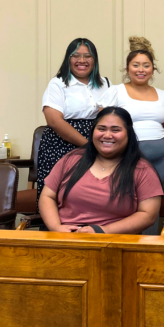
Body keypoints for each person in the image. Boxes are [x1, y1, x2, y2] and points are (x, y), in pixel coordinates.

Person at [39, 107, 163, 234]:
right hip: (66, 240)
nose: (107, 135)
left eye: (116, 130)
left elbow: (148, 214)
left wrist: (103, 231)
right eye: (101, 129)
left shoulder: (142, 170)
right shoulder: (71, 159)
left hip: (114, 243)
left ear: (129, 134)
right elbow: (47, 196)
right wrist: (56, 227)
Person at [38, 38, 117, 207]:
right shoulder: (58, 83)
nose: (82, 60)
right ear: (68, 59)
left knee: (95, 194)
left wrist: (98, 146)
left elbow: (112, 115)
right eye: (76, 56)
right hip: (61, 144)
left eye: (87, 56)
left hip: (99, 143)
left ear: (94, 60)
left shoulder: (106, 84)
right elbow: (54, 120)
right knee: (61, 195)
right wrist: (88, 145)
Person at [114, 36, 164, 235]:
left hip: (159, 160)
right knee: (126, 199)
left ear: (153, 69)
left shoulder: (161, 95)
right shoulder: (115, 92)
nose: (141, 69)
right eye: (136, 65)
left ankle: (149, 243)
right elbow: (105, 126)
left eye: (146, 65)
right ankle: (125, 242)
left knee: (152, 203)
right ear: (127, 69)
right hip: (126, 158)